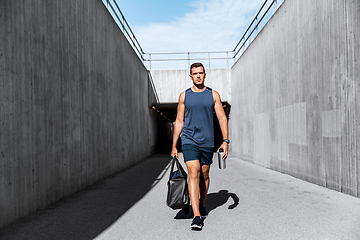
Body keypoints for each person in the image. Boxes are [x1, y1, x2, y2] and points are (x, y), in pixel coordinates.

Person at [171, 62, 229, 230]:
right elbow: (180, 121)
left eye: (200, 73)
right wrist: (175, 145)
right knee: (193, 172)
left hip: (207, 142)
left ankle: (202, 203)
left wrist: (225, 140)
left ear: (205, 75)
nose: (198, 75)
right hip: (189, 140)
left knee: (204, 174)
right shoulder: (184, 96)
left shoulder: (213, 95)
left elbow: (222, 118)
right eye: (195, 73)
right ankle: (196, 215)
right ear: (190, 76)